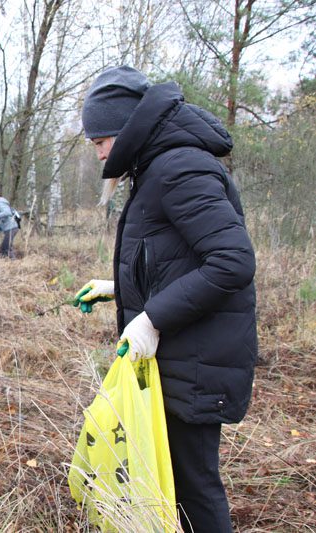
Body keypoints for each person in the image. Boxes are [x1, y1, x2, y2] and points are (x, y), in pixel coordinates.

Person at [72, 66, 257, 533]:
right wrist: (120, 288)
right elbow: (178, 259)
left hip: (197, 360)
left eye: (100, 141)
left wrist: (151, 319)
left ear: (127, 128)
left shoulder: (179, 167)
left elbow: (231, 262)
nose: (98, 154)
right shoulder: (158, 166)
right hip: (183, 355)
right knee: (172, 482)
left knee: (194, 488)